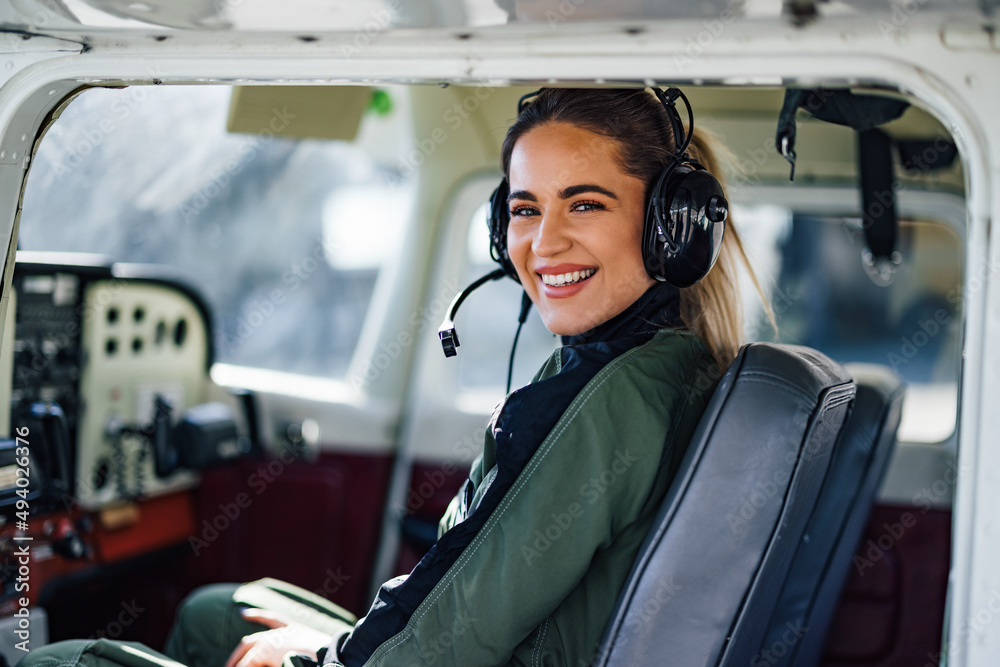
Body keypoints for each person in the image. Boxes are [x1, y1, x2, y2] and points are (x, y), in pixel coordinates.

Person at [18, 87, 765, 667]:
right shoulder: (665, 362)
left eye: (586, 204)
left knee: (62, 657)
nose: (542, 243)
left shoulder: (609, 400)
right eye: (526, 209)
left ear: (671, 224)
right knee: (225, 612)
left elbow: (456, 632)